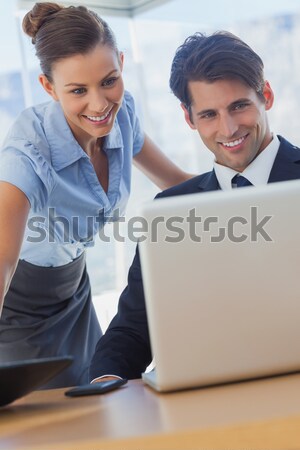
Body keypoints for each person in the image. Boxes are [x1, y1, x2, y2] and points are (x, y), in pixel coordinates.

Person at [0, 3, 192, 389]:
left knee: (97, 404)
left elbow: (176, 183)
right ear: (49, 87)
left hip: (74, 291)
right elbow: (2, 264)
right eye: (77, 91)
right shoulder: (28, 152)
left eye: (109, 80)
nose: (100, 104)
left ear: (121, 63)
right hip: (18, 308)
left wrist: (259, 192)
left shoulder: (123, 115)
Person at [89, 30, 300, 382]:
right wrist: (103, 383)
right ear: (189, 118)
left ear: (266, 95)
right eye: (208, 115)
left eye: (239, 106)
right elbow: (134, 327)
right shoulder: (172, 210)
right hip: (200, 394)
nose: (228, 128)